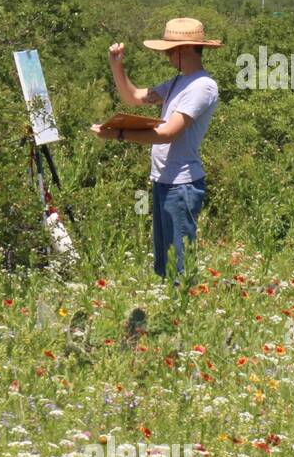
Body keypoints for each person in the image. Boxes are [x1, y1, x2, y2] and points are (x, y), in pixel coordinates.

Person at [90, 17, 221, 279]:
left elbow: (167, 133)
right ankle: (172, 314)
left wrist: (118, 133)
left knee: (179, 268)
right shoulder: (176, 82)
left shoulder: (202, 87)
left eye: (169, 51)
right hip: (164, 180)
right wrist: (117, 67)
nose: (167, 57)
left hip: (182, 184)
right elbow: (134, 97)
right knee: (165, 265)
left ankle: (183, 315)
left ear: (184, 50)